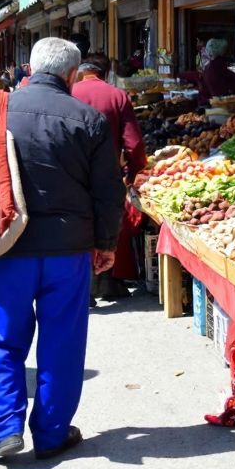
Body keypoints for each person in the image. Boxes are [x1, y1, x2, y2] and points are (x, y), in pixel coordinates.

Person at [0, 37, 123, 461]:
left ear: (30, 66)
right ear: (72, 75)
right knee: (63, 341)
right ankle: (51, 432)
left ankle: (5, 427)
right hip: (69, 250)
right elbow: (108, 193)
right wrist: (106, 244)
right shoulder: (89, 119)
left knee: (0, 337)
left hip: (9, 247)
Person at [73, 54, 146, 297]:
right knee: (108, 224)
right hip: (108, 172)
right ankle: (106, 280)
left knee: (79, 224)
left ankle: (86, 284)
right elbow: (133, 143)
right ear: (106, 73)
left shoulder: (68, 93)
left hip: (73, 173)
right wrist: (136, 173)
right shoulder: (116, 95)